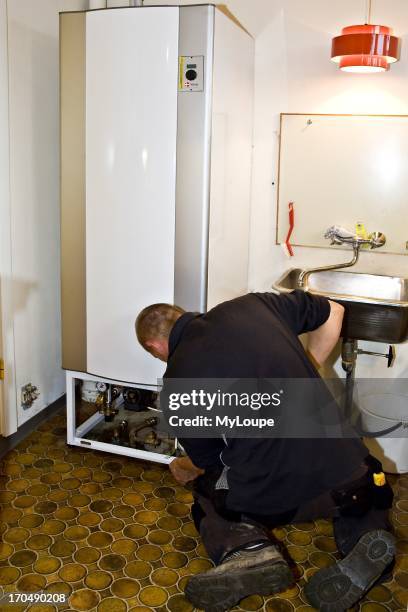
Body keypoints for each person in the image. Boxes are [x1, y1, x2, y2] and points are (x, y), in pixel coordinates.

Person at [135, 291, 395, 612]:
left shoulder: (176, 383)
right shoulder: (255, 305)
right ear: (181, 314)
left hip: (279, 499)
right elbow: (335, 311)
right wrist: (310, 371)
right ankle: (366, 541)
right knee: (364, 484)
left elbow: (212, 464)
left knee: (208, 494)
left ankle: (249, 550)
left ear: (155, 347)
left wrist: (186, 465)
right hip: (354, 478)